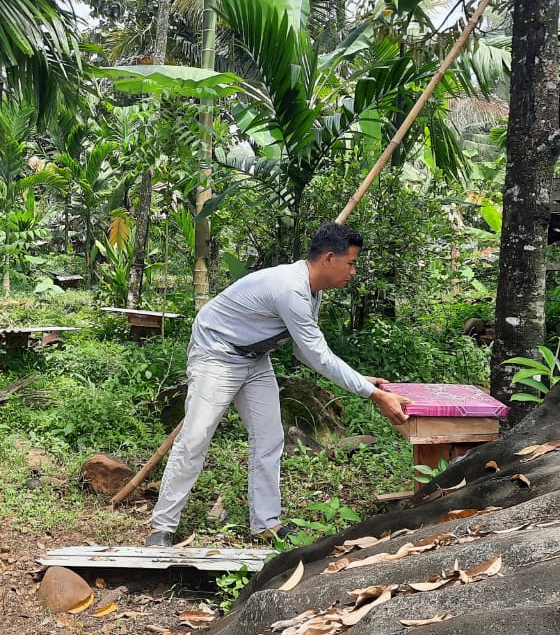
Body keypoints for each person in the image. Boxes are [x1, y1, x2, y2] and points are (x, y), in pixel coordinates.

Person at [145, 222, 412, 546]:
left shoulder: (313, 292)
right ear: (329, 258)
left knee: (270, 438)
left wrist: (363, 381)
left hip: (254, 358)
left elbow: (304, 351)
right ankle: (163, 527)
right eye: (351, 263)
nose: (353, 271)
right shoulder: (290, 290)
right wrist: (374, 394)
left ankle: (266, 524)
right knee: (196, 438)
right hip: (216, 352)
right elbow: (316, 354)